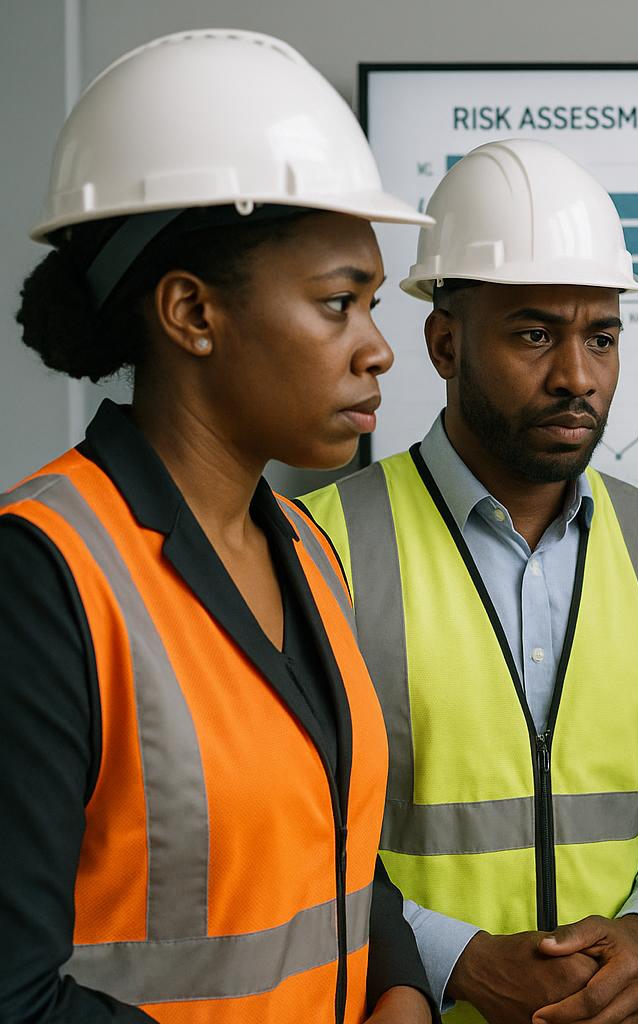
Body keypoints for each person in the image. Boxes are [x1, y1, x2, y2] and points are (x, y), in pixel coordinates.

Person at [0, 29, 439, 1023]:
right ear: (193, 313)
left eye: (372, 304)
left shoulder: (305, 546)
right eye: (339, 304)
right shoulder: (43, 575)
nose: (379, 351)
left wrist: (401, 987)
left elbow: (331, 844)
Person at [298, 139, 638, 1024]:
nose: (576, 375)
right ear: (444, 344)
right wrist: (454, 960)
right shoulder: (323, 545)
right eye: (534, 334)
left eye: (602, 337)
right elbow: (296, 827)